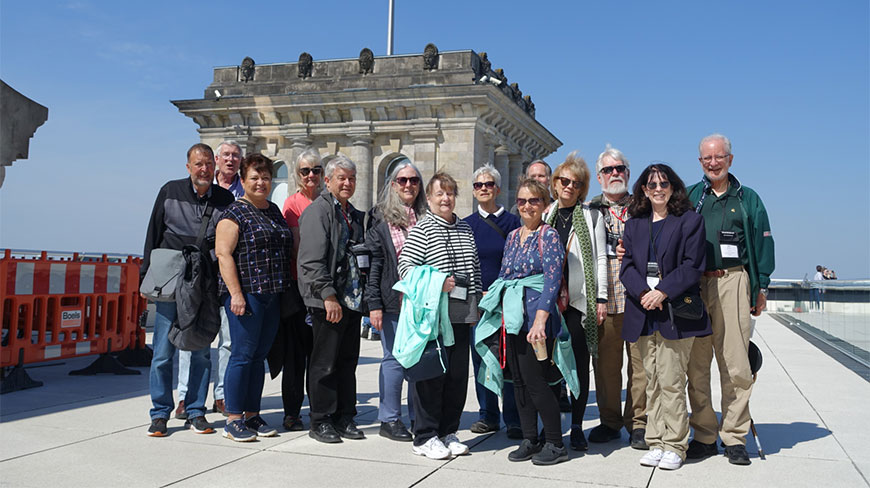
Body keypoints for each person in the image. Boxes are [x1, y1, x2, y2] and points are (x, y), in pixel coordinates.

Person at [685, 133, 775, 466]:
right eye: (706, 158)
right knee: (696, 363)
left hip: (734, 281)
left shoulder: (747, 198)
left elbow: (764, 243)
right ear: (700, 162)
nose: (713, 163)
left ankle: (734, 435)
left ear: (730, 159)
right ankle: (705, 434)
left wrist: (761, 286)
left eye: (718, 157)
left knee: (735, 363)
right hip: (696, 285)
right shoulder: (692, 196)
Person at [619, 163, 711, 470]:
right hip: (643, 310)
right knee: (651, 380)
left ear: (673, 187)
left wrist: (662, 292)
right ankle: (656, 440)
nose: (658, 189)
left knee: (672, 379)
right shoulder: (634, 224)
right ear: (643, 190)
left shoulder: (690, 221)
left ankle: (675, 444)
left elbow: (692, 265)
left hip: (674, 311)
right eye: (651, 185)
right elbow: (627, 266)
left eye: (663, 184)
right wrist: (645, 292)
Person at [141, 143, 234, 437]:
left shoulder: (224, 198)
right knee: (163, 352)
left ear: (214, 166)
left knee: (202, 351)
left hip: (205, 283)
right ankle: (160, 413)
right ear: (188, 167)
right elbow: (153, 233)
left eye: (208, 163)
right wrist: (145, 276)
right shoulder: (169, 191)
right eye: (198, 164)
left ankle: (196, 410)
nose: (204, 169)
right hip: (170, 281)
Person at [398, 172, 482, 460]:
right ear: (430, 198)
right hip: (432, 319)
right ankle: (424, 436)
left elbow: (475, 271)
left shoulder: (465, 229)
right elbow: (406, 268)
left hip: (460, 317)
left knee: (457, 378)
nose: (445, 198)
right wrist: (436, 281)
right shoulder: (423, 229)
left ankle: (448, 431)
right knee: (430, 377)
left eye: (450, 193)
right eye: (439, 194)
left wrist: (476, 305)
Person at [490, 178, 570, 465]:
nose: (527, 206)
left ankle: (555, 442)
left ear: (544, 204)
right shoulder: (513, 236)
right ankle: (529, 438)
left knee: (537, 382)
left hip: (536, 318)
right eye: (522, 201)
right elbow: (505, 274)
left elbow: (552, 279)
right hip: (512, 317)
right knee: (518, 382)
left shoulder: (548, 236)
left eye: (533, 201)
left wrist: (540, 321)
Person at [215, 153, 292, 442]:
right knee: (242, 355)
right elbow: (223, 254)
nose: (261, 182)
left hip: (272, 294)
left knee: (259, 357)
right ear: (243, 181)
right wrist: (236, 294)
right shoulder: (234, 212)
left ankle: (252, 414)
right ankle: (233, 418)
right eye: (254, 178)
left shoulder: (273, 210)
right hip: (246, 295)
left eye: (265, 178)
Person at [297, 155, 367, 444]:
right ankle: (321, 419)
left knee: (347, 361)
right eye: (341, 177)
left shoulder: (352, 214)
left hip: (351, 300)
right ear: (328, 181)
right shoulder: (318, 212)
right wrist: (328, 296)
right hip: (328, 300)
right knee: (324, 363)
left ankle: (344, 416)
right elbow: (310, 261)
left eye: (351, 178)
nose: (347, 182)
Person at [543, 152, 607, 451]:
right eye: (564, 181)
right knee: (552, 367)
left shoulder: (592, 215)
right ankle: (553, 425)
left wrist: (601, 298)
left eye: (576, 183)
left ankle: (578, 425)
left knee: (579, 365)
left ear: (582, 188)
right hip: (550, 301)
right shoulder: (546, 215)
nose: (569, 186)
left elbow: (601, 259)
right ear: (555, 183)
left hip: (580, 302)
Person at [586, 146, 648, 449]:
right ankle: (610, 421)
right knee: (606, 367)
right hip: (604, 297)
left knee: (640, 366)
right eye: (608, 170)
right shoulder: (589, 209)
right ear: (599, 176)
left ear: (628, 173)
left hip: (637, 298)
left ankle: (638, 423)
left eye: (620, 169)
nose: (615, 174)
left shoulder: (644, 206)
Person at [176, 140, 243, 420]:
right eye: (226, 155)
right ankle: (184, 396)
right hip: (197, 276)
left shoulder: (244, 190)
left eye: (236, 156)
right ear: (216, 159)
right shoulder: (200, 186)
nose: (231, 160)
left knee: (228, 340)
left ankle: (222, 395)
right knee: (190, 336)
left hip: (226, 276)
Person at [365, 161, 428, 442]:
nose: (408, 185)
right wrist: (374, 304)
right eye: (402, 180)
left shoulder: (427, 217)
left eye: (414, 180)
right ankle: (389, 419)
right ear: (392, 185)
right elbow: (374, 266)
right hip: (393, 302)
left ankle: (420, 418)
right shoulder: (380, 219)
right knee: (393, 360)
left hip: (423, 304)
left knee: (419, 362)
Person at [462, 165, 522, 438]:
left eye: (488, 184)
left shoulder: (514, 223)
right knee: (482, 359)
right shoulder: (466, 225)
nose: (483, 188)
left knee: (508, 361)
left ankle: (514, 418)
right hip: (478, 303)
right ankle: (488, 415)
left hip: (507, 303)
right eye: (478, 185)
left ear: (497, 189)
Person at [270, 147, 322, 431]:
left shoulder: (329, 202)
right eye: (305, 171)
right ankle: (292, 412)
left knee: (320, 355)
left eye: (316, 170)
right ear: (297, 175)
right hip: (298, 290)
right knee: (295, 357)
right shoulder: (292, 204)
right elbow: (296, 247)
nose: (311, 175)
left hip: (324, 290)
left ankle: (319, 410)